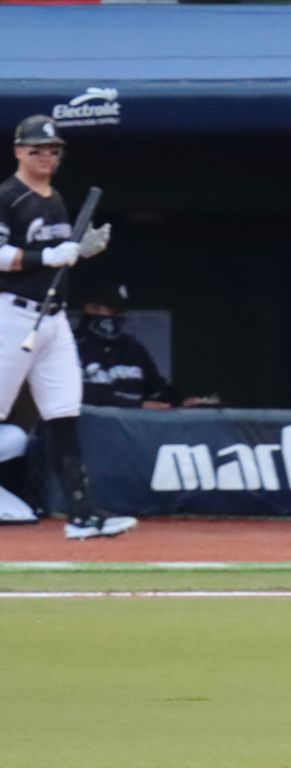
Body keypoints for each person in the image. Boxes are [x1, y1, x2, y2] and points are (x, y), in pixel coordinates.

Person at [0, 115, 133, 539]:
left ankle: (82, 513)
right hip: (12, 314)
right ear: (19, 151)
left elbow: (58, 253)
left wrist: (79, 252)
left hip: (54, 318)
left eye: (53, 150)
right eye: (37, 149)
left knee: (62, 412)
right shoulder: (8, 195)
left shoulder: (55, 197)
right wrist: (49, 257)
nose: (46, 157)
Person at [76, 282, 200, 409]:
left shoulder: (132, 347)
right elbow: (78, 393)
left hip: (132, 427)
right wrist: (138, 405)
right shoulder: (70, 346)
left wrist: (180, 401)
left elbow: (155, 389)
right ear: (91, 308)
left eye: (121, 311)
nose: (118, 315)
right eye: (113, 310)